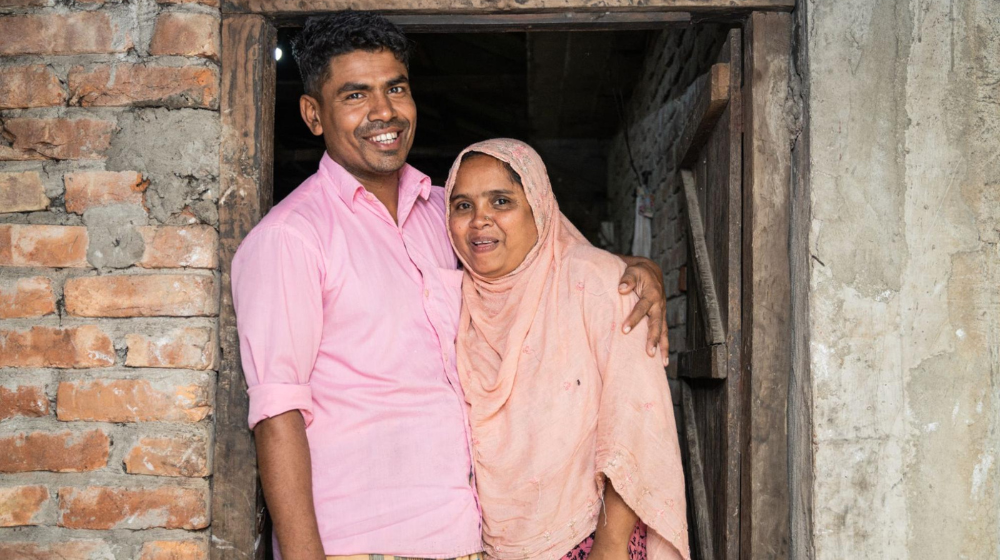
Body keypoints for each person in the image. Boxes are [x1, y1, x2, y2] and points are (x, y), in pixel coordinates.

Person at [231, 12, 671, 560]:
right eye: (355, 95)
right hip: (362, 541)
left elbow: (546, 253)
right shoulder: (291, 239)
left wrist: (635, 268)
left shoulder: (447, 212)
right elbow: (278, 413)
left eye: (396, 88)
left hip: (468, 538)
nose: (383, 112)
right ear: (313, 114)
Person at [445, 139, 689, 560]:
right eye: (462, 205)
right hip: (489, 548)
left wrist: (609, 548)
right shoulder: (456, 301)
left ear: (539, 207)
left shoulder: (597, 282)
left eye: (500, 201)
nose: (480, 221)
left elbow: (635, 422)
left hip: (593, 538)